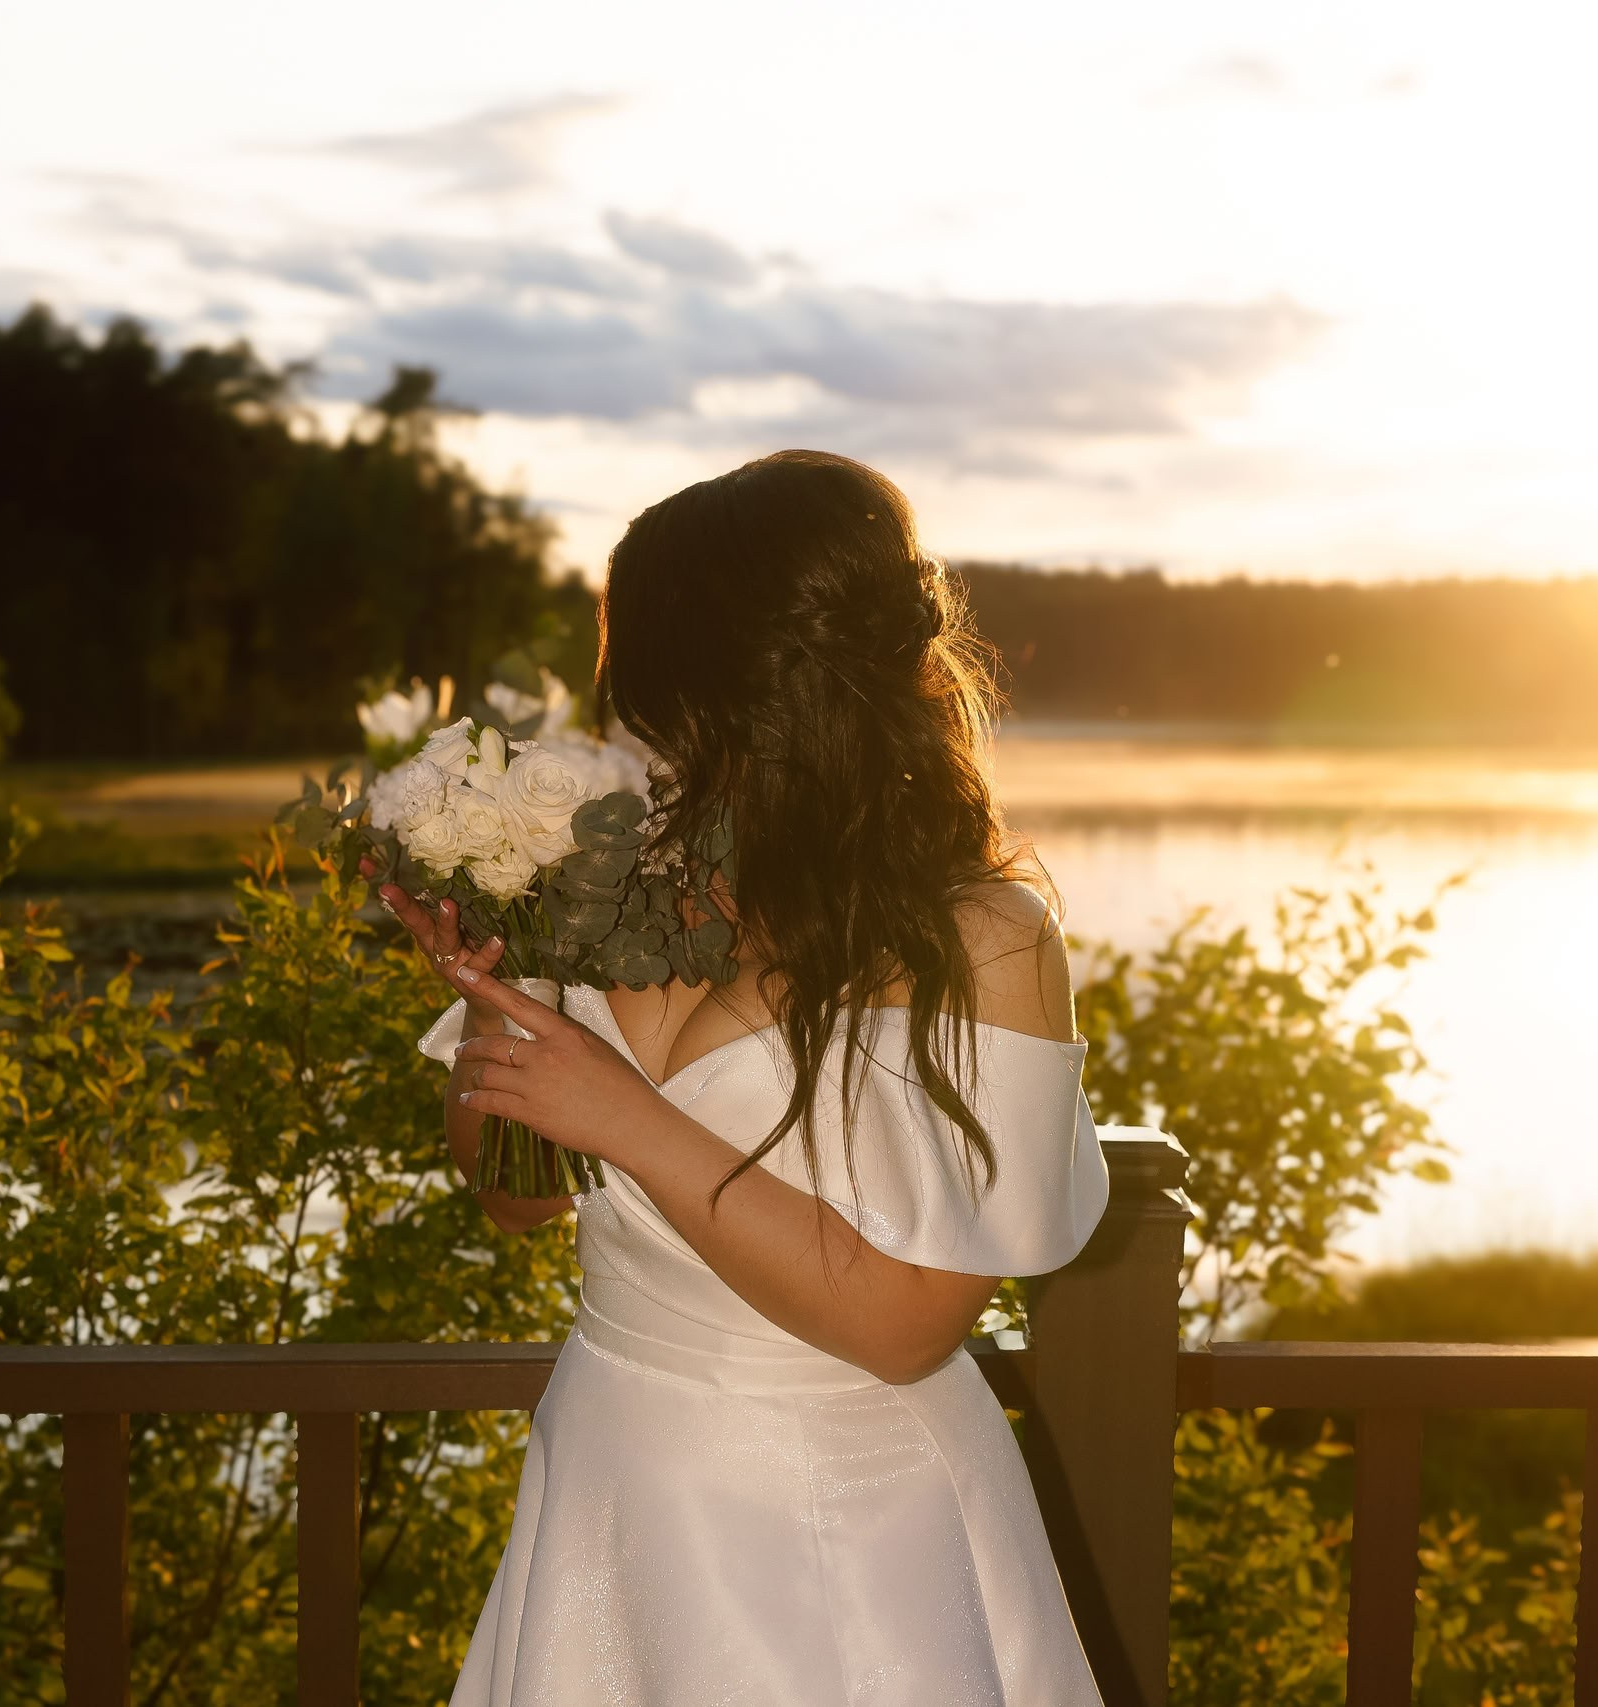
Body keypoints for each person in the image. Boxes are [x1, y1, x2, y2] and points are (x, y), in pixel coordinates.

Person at [380, 449, 1108, 1706]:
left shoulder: (976, 939)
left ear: (736, 686)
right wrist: (495, 1014)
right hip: (611, 1473)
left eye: (646, 670)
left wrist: (632, 1122)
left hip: (850, 1523)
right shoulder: (606, 875)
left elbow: (906, 1323)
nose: (627, 714)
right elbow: (519, 1202)